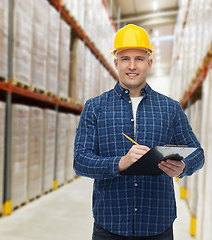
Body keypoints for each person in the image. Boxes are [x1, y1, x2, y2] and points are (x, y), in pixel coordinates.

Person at [73, 24, 205, 239]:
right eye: (125, 58)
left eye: (139, 59)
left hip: (157, 224)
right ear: (116, 62)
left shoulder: (170, 108)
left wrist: (183, 167)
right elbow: (80, 160)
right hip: (110, 224)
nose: (132, 66)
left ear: (149, 63)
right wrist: (119, 163)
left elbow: (197, 153)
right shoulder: (95, 107)